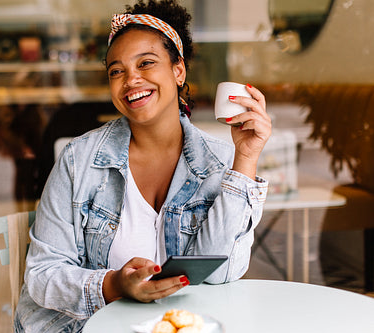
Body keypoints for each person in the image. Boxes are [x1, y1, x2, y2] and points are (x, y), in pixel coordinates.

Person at [15, 0, 272, 332]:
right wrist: (115, 286)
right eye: (116, 71)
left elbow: (220, 274)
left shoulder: (221, 160)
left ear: (178, 70)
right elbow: (42, 273)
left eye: (146, 63)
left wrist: (246, 159)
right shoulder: (79, 160)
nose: (130, 80)